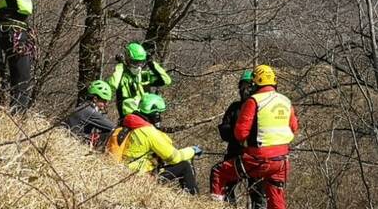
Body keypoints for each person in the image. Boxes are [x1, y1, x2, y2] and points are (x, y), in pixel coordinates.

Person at [211, 65, 299, 209]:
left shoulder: (254, 101)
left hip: (257, 159)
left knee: (219, 172)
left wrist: (248, 144)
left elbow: (240, 133)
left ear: (255, 82)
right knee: (275, 198)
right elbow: (294, 127)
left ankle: (217, 206)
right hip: (281, 161)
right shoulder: (285, 101)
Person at [122, 93, 202, 194]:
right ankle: (195, 201)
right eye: (159, 114)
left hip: (124, 174)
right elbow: (174, 157)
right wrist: (193, 150)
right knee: (184, 166)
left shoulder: (129, 124)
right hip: (139, 179)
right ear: (155, 115)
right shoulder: (149, 132)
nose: (160, 117)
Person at [210, 70, 267, 209]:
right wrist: (238, 133)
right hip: (236, 154)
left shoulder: (261, 107)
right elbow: (224, 131)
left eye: (248, 86)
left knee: (258, 194)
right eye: (242, 86)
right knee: (226, 184)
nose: (244, 90)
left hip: (255, 156)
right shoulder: (235, 107)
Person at [107, 42, 172, 119]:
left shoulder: (142, 76)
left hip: (145, 116)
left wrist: (151, 63)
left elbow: (166, 80)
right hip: (129, 119)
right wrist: (121, 65)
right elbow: (112, 85)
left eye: (141, 63)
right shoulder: (122, 77)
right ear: (128, 60)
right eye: (135, 62)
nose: (138, 66)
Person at [65, 80, 116, 147]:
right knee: (114, 133)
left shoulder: (83, 107)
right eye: (104, 101)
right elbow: (113, 128)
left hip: (70, 142)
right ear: (95, 99)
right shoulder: (90, 111)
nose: (106, 104)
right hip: (75, 145)